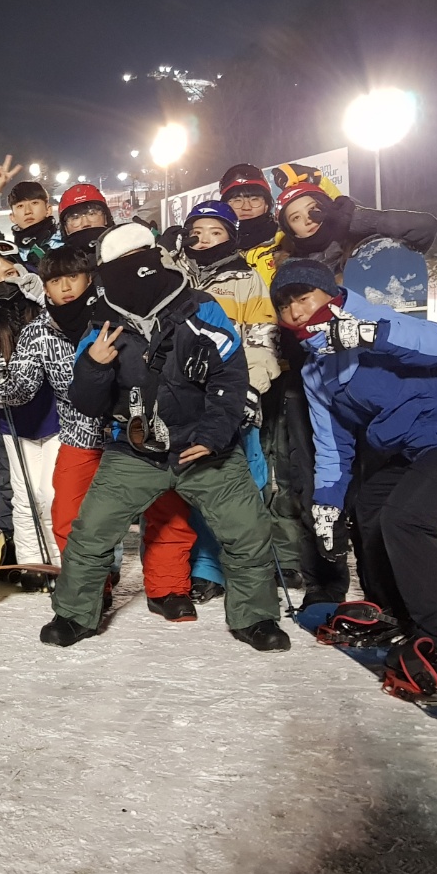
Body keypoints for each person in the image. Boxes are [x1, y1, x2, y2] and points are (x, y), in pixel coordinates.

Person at [271, 258, 437, 702]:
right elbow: (333, 446)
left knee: (407, 519)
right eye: (285, 305)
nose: (296, 311)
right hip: (418, 448)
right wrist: (326, 504)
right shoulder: (315, 370)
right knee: (368, 508)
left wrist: (369, 333)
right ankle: (394, 614)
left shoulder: (371, 320)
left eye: (304, 297)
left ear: (330, 294)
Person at [48, 224, 289, 651]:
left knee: (248, 530)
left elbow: (230, 376)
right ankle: (73, 615)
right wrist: (94, 366)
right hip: (135, 450)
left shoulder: (201, 308)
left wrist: (213, 435)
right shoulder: (100, 322)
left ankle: (256, 617)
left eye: (142, 257)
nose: (138, 271)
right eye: (124, 263)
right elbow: (85, 402)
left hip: (205, 448)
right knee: (92, 532)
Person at [0, 244, 199, 606]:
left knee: (166, 507)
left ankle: (168, 588)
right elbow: (20, 392)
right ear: (43, 286)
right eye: (55, 281)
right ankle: (90, 590)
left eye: (73, 277)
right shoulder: (38, 332)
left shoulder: (119, 315)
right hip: (79, 434)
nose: (65, 287)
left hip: (133, 432)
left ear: (89, 278)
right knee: (69, 514)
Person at [221, 163, 344, 604]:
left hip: (291, 368)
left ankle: (289, 554)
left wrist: (313, 180)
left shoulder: (285, 242)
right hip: (236, 374)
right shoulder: (217, 245)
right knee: (245, 467)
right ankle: (240, 552)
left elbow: (327, 214)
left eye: (253, 196)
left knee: (290, 466)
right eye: (236, 197)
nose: (245, 204)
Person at [174, 200, 292, 599]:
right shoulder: (173, 275)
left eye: (216, 232)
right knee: (196, 482)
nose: (205, 239)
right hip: (186, 400)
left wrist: (250, 390)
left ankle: (251, 561)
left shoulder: (247, 280)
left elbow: (262, 340)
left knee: (246, 481)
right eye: (197, 232)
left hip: (234, 396)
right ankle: (206, 568)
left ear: (231, 236)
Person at [0, 238, 57, 578]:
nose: (2, 281)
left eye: (9, 273)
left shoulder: (43, 308)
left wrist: (45, 302)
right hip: (13, 420)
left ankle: (60, 558)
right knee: (24, 494)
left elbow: (70, 338)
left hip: (55, 416)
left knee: (51, 492)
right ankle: (31, 562)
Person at [275, 179, 437, 274]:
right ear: (290, 230)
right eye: (296, 218)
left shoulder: (366, 246)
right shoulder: (291, 271)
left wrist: (350, 219)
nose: (308, 220)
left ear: (327, 207)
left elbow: (424, 226)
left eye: (313, 209)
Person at [56, 183, 115, 252]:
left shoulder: (123, 249)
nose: (85, 223)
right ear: (65, 228)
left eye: (92, 214)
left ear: (105, 218)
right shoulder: (57, 258)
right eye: (75, 218)